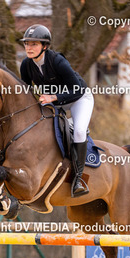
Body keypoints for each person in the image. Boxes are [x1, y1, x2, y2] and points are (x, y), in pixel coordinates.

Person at [19, 24, 94, 197]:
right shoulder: (26, 65)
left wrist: (53, 97)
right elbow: (25, 91)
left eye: (34, 44)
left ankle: (78, 180)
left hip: (79, 99)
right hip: (54, 102)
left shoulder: (58, 61)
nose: (29, 48)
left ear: (44, 46)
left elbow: (76, 89)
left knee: (79, 131)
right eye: (27, 44)